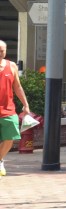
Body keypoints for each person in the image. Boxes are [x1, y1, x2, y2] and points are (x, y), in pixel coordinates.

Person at [0, 40, 30, 177]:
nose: (0, 53)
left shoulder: (11, 66)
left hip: (8, 110)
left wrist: (25, 104)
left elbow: (17, 87)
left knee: (10, 138)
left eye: (2, 51)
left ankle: (0, 160)